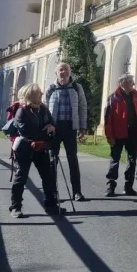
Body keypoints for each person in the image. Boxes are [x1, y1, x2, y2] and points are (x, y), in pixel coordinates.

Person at [9, 84, 59, 218]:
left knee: (47, 176)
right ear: (31, 95)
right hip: (25, 148)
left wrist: (51, 125)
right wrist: (45, 130)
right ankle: (16, 207)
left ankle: (50, 204)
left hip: (40, 147)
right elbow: (26, 130)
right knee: (21, 177)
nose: (41, 94)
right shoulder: (21, 111)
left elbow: (52, 122)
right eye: (38, 93)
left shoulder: (43, 108)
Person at [45, 62, 88, 202]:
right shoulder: (51, 88)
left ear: (70, 73)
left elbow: (82, 107)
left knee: (73, 160)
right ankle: (53, 193)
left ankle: (77, 192)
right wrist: (46, 125)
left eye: (66, 70)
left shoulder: (76, 87)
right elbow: (44, 110)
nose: (64, 72)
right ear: (56, 73)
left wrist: (82, 127)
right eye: (61, 70)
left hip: (70, 127)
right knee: (52, 161)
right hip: (54, 129)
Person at [104, 74, 137, 197]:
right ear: (123, 83)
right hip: (118, 134)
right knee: (114, 160)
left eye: (132, 82)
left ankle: (128, 187)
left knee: (132, 160)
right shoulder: (113, 98)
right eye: (131, 82)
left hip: (133, 134)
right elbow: (108, 119)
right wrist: (109, 136)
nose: (133, 84)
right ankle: (110, 186)